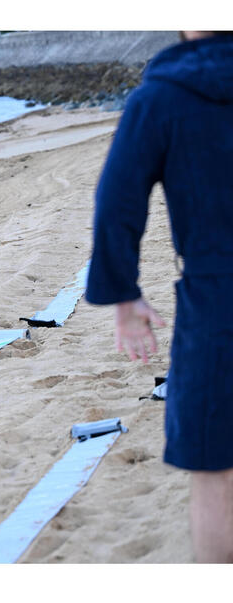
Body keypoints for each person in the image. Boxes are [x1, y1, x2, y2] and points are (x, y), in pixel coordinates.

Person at [86, 31, 233, 563]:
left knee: (215, 471)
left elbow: (117, 200)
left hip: (218, 296)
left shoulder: (161, 96)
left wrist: (124, 297)